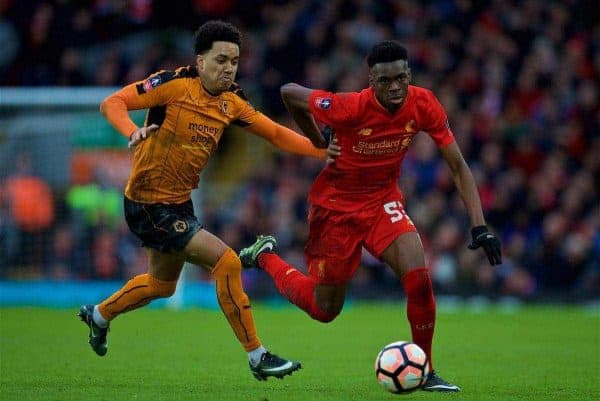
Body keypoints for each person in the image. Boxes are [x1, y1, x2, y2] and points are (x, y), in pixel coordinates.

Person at [240, 40, 502, 391]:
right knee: (324, 310)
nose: (394, 87)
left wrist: (480, 225)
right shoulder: (348, 107)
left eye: (400, 78)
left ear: (409, 75)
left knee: (419, 279)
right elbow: (290, 92)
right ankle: (266, 257)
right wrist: (318, 140)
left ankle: (423, 371)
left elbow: (458, 166)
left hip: (382, 202)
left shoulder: (423, 103)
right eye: (385, 80)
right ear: (371, 80)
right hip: (335, 209)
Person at [77, 20, 328, 381]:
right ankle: (258, 356)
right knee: (227, 262)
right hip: (148, 204)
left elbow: (273, 133)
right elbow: (112, 102)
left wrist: (321, 153)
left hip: (178, 203)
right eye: (221, 60)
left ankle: (99, 315)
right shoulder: (173, 84)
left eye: (235, 61)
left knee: (161, 285)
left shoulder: (232, 102)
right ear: (200, 61)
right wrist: (133, 131)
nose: (228, 68)